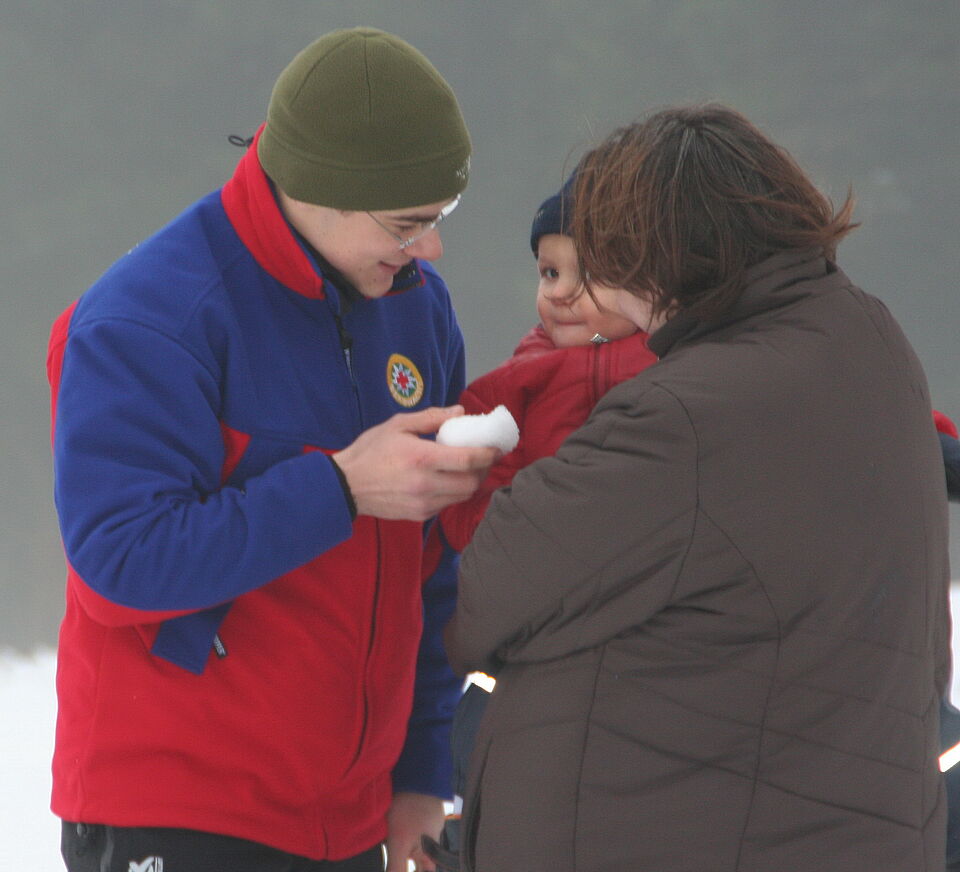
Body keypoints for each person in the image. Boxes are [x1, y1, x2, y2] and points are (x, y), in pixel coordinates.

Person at [445, 103, 950, 871]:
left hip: (683, 833)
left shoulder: (687, 415)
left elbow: (489, 591)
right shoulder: (868, 340)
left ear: (659, 254)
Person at [46, 27, 499, 872]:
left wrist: (419, 772)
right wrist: (339, 489)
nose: (431, 249)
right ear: (327, 191)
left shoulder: (416, 308)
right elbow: (119, 561)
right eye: (410, 224)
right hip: (177, 808)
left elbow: (432, 561)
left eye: (442, 219)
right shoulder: (149, 319)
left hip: (347, 819)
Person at [437, 173, 658, 553]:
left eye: (590, 274)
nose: (560, 292)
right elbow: (470, 498)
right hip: (548, 558)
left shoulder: (675, 358)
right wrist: (518, 541)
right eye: (550, 273)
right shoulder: (519, 377)